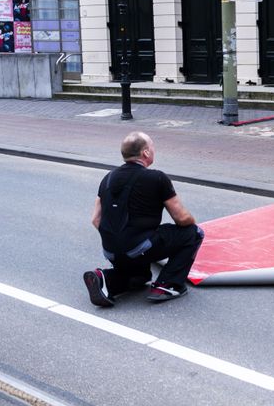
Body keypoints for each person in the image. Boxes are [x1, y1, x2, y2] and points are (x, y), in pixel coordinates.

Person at [84, 131, 203, 306]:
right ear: (145, 153)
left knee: (140, 277)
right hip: (139, 247)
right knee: (194, 233)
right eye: (152, 147)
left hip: (111, 251)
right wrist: (192, 221)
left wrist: (121, 240)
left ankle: (105, 279)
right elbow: (181, 217)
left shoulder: (108, 178)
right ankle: (167, 285)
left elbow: (96, 219)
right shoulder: (156, 178)